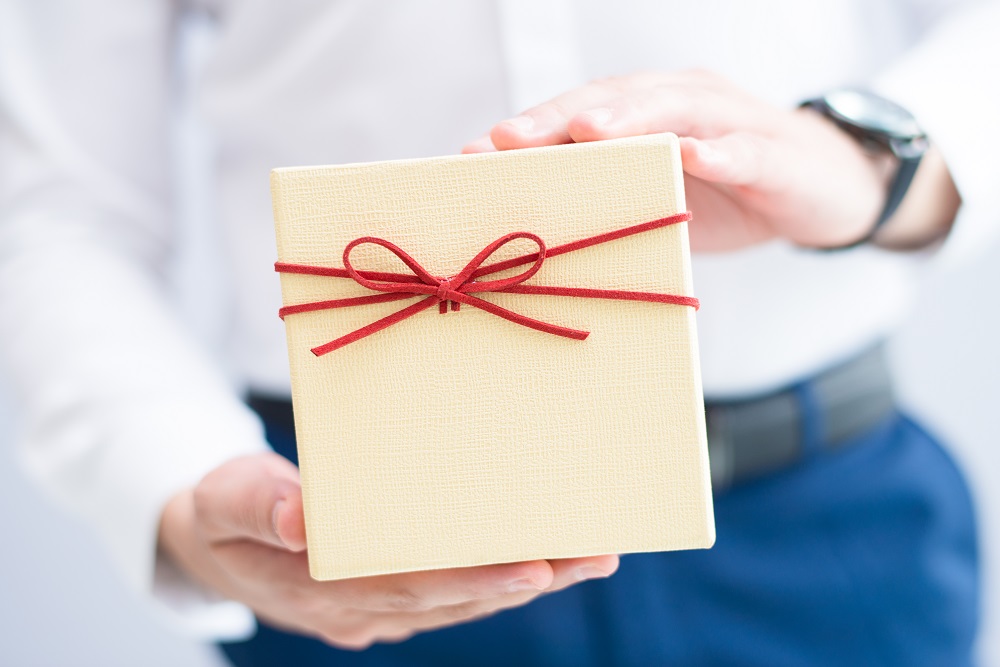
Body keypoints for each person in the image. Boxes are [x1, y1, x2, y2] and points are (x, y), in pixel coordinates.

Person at [0, 1, 996, 665]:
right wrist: (174, 487)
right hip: (356, 548)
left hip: (824, 534)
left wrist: (881, 159)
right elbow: (56, 198)